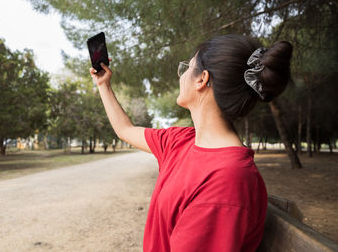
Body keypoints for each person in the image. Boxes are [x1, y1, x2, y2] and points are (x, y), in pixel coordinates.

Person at [89, 34, 293, 252]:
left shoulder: (227, 182)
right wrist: (103, 85)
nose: (182, 74)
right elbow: (125, 130)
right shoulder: (181, 140)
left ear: (201, 79)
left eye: (187, 67)